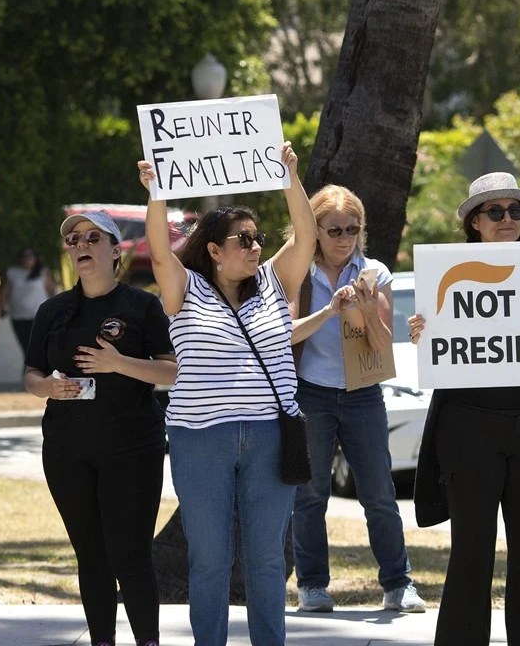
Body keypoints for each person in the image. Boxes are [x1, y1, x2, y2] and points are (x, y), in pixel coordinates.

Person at [136, 143, 316, 646]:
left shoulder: (276, 284)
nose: (255, 246)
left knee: (264, 558)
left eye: (258, 238)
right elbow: (158, 252)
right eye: (244, 239)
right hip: (200, 438)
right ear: (214, 250)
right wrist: (156, 193)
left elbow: (306, 234)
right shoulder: (186, 288)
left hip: (269, 436)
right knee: (210, 559)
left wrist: (289, 177)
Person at [409, 172, 520, 646]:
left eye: (515, 211)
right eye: (495, 211)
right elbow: (439, 351)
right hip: (467, 431)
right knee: (471, 551)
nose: (508, 219)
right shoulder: (445, 275)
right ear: (475, 222)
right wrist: (422, 334)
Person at [23, 210, 177, 646]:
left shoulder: (141, 306)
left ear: (115, 249)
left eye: (93, 237)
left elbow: (171, 372)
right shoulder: (52, 310)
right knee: (90, 557)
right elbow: (31, 375)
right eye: (74, 240)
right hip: (68, 452)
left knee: (130, 556)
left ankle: (148, 640)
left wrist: (118, 364)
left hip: (132, 450)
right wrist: (48, 388)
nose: (82, 245)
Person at [287, 185, 426, 613]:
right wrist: (329, 309)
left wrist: (367, 310)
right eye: (334, 230)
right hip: (310, 392)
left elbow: (383, 345)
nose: (344, 238)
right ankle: (311, 585)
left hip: (362, 394)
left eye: (352, 229)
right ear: (315, 230)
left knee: (379, 492)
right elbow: (287, 335)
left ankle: (398, 583)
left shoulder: (374, 273)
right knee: (310, 494)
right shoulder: (296, 272)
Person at [2, 246, 56, 353]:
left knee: (38, 349)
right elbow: (5, 292)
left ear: (35, 258)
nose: (27, 258)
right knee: (26, 350)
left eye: (30, 256)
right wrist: (2, 307)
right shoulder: (13, 273)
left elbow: (52, 292)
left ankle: (35, 369)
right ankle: (31, 369)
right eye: (24, 256)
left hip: (39, 318)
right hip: (18, 318)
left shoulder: (43, 273)